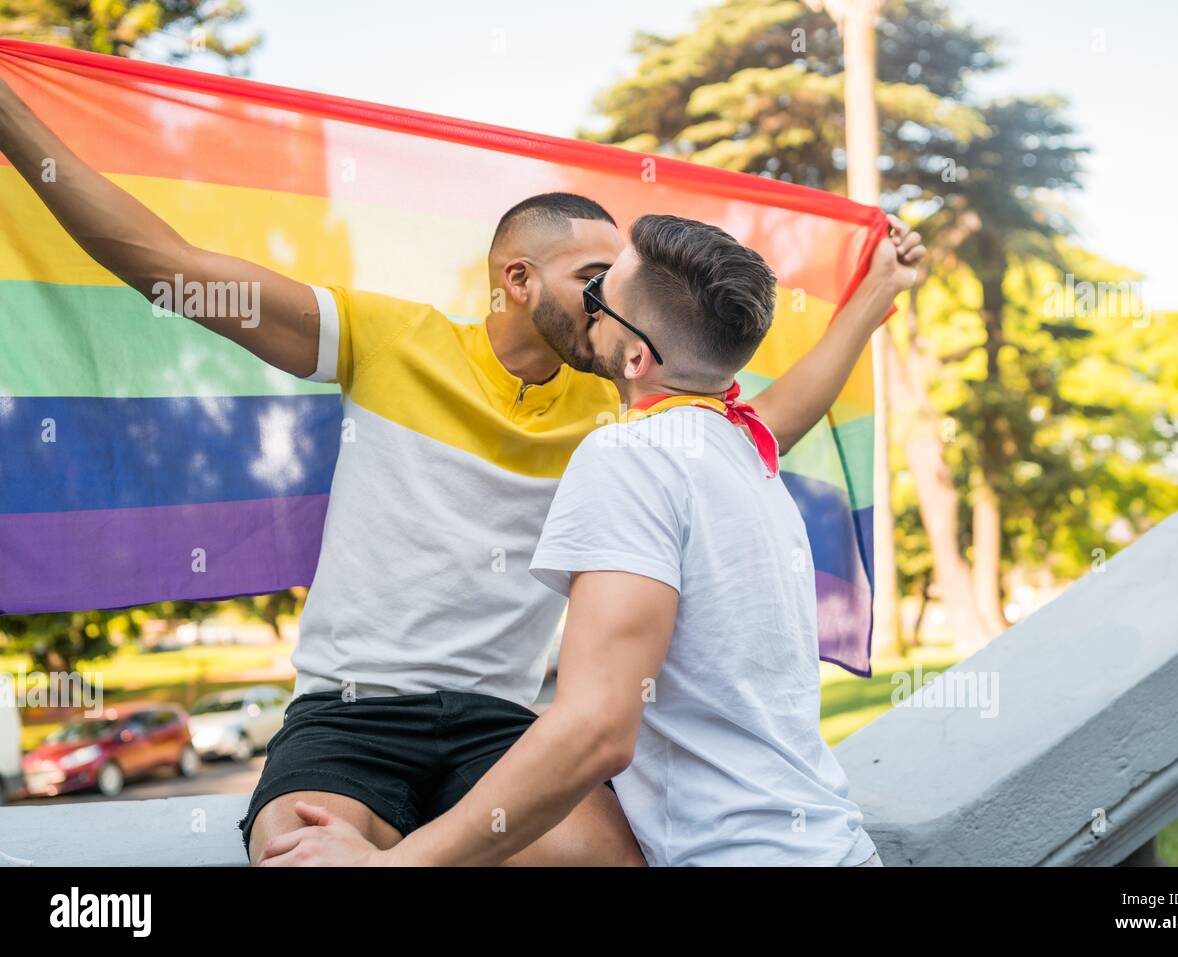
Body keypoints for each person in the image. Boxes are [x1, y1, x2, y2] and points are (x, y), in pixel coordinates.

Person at [0, 77, 922, 865]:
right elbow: (173, 269)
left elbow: (762, 422)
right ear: (517, 278)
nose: (608, 298)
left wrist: (872, 297)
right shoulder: (387, 337)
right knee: (293, 848)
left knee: (614, 859)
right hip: (352, 713)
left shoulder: (626, 410)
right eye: (591, 276)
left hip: (501, 724)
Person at [259, 214, 903, 866]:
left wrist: (395, 863)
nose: (584, 311)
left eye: (601, 299)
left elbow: (596, 729)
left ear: (635, 355)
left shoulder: (628, 455)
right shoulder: (748, 453)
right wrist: (874, 297)